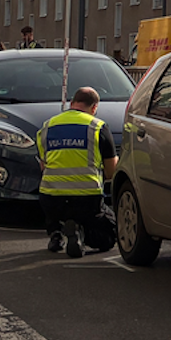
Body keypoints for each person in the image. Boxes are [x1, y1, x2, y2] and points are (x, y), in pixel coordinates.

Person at [35, 86, 117, 258]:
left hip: (51, 198)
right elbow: (111, 172)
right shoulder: (98, 127)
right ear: (94, 107)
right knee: (109, 236)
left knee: (55, 207)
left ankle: (56, 232)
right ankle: (81, 233)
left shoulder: (47, 126)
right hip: (86, 199)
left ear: (72, 103)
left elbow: (44, 166)